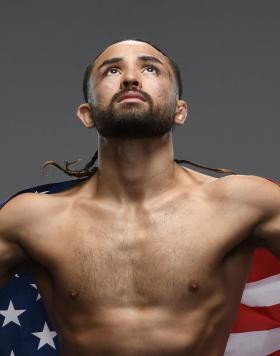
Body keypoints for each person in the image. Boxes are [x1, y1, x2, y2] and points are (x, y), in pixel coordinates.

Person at [0, 39, 280, 356]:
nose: (131, 78)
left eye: (149, 68)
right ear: (87, 114)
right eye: (112, 70)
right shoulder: (32, 219)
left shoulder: (243, 204)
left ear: (180, 110)